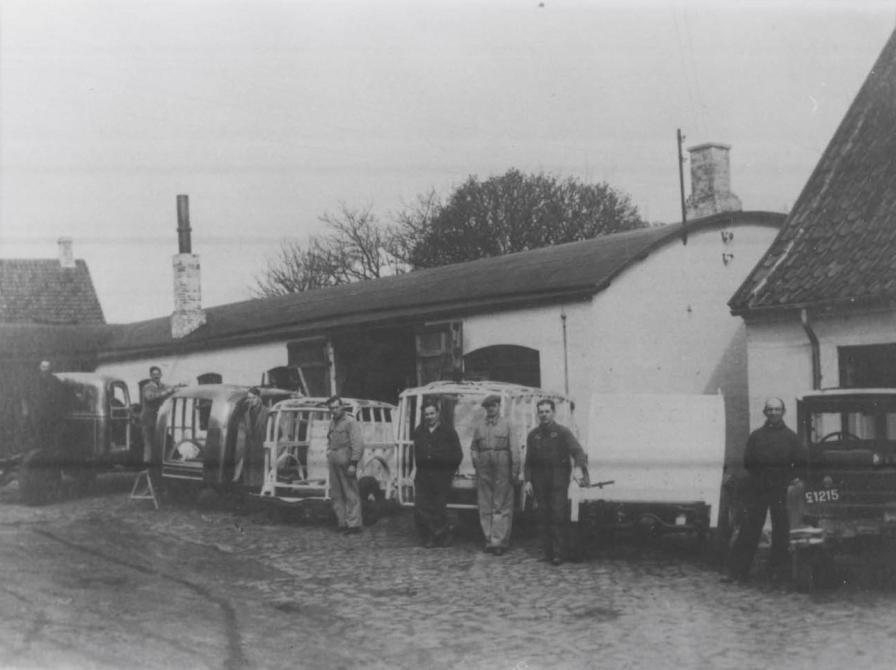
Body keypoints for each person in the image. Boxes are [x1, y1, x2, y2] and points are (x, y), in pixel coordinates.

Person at [724, 397, 803, 583]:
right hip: (758, 488)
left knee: (781, 530)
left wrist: (786, 479)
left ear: (783, 412)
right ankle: (738, 572)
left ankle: (778, 573)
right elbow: (748, 461)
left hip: (781, 489)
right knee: (749, 529)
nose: (773, 413)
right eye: (770, 409)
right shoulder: (756, 436)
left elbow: (798, 463)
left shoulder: (791, 437)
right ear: (765, 412)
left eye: (777, 409)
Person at [523, 399, 588, 566]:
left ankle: (559, 553)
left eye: (547, 411)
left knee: (558, 516)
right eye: (541, 412)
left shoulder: (562, 432)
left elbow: (579, 453)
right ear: (538, 414)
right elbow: (529, 461)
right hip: (539, 481)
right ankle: (548, 552)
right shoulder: (533, 435)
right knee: (543, 516)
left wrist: (578, 469)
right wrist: (528, 481)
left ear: (553, 413)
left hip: (558, 479)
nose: (544, 415)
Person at [471, 394, 519, 555]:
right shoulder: (479, 426)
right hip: (484, 466)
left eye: (493, 406)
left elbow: (515, 449)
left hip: (502, 464)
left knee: (501, 504)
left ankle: (499, 542)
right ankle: (489, 539)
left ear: (499, 406)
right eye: (488, 407)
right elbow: (474, 448)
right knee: (485, 504)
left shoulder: (508, 425)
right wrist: (477, 464)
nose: (491, 409)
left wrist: (514, 471)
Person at [412, 400, 463, 548]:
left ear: (438, 413)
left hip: (441, 477)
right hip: (423, 476)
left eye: (432, 413)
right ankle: (430, 536)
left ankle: (441, 535)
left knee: (439, 508)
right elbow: (417, 453)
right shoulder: (419, 431)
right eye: (426, 414)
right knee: (421, 508)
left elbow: (458, 455)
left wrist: (448, 472)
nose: (429, 417)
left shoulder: (448, 431)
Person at [326, 395, 365, 534]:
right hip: (334, 459)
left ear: (342, 406)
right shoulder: (333, 422)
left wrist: (353, 463)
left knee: (350, 492)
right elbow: (330, 439)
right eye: (331, 408)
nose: (334, 410)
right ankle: (342, 523)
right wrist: (329, 452)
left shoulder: (350, 422)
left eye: (337, 407)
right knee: (336, 493)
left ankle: (354, 525)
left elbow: (357, 444)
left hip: (346, 459)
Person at [23, 360, 70, 451]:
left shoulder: (55, 380)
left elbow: (61, 394)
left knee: (49, 432)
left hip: (50, 412)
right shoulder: (32, 381)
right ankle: (37, 449)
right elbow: (25, 396)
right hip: (36, 411)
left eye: (48, 367)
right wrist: (25, 410)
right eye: (43, 367)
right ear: (39, 368)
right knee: (36, 431)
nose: (46, 370)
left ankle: (47, 450)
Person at [140, 366, 179, 464]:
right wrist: (168, 391)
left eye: (158, 374)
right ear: (150, 376)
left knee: (163, 440)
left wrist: (177, 386)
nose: (156, 376)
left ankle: (163, 462)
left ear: (161, 375)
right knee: (149, 443)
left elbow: (170, 388)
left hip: (159, 418)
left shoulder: (162, 386)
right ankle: (148, 465)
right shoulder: (147, 387)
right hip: (148, 419)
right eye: (154, 374)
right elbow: (150, 397)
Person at [232, 387, 268, 486]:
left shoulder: (267, 412)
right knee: (249, 475)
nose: (250, 401)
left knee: (260, 475)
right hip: (249, 447)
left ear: (259, 398)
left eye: (253, 398)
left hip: (262, 447)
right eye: (249, 398)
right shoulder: (246, 413)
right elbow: (236, 421)